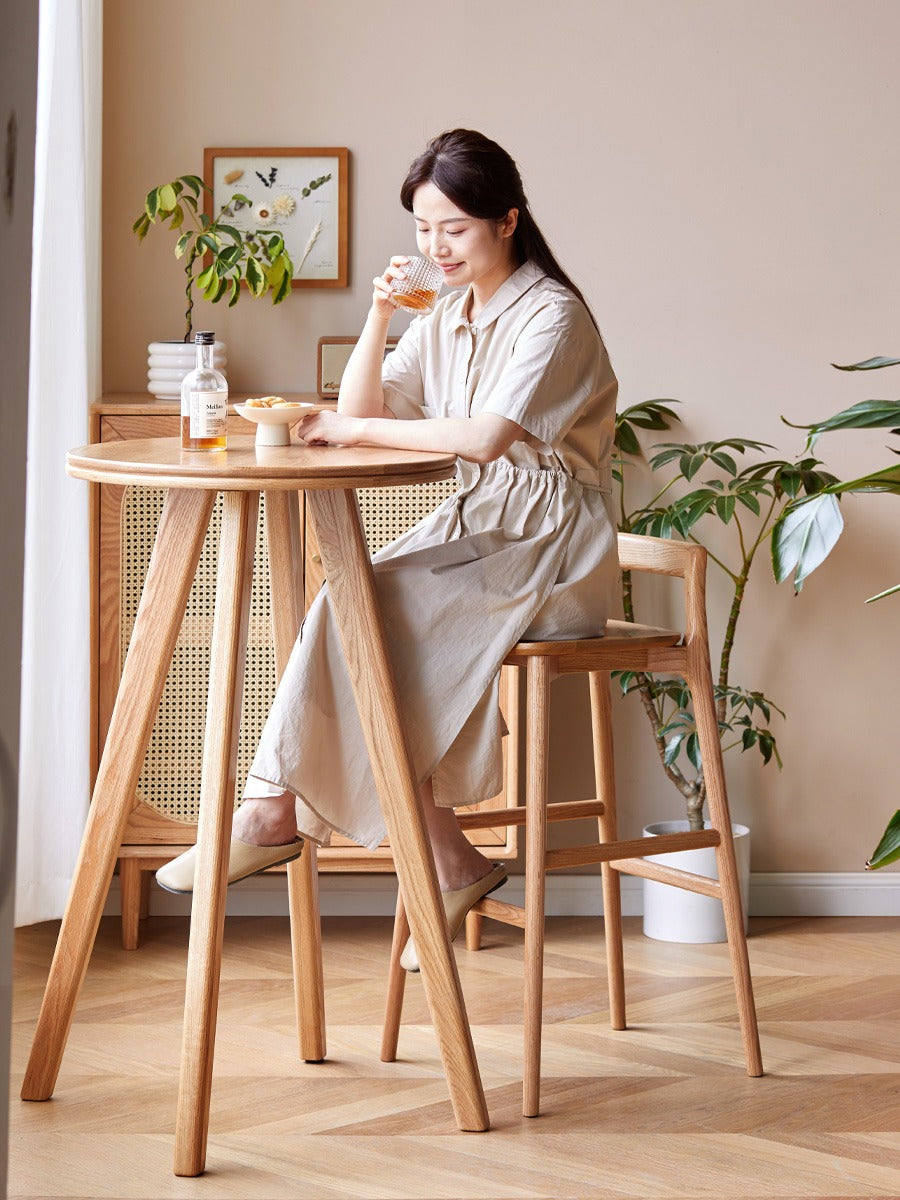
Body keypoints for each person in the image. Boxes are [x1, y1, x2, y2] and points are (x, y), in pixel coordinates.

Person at [157, 128, 619, 970]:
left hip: (550, 542)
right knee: (354, 609)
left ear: (507, 219)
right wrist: (377, 315)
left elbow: (481, 438)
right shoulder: (446, 311)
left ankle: (273, 814)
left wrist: (354, 426)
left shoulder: (552, 313)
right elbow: (370, 405)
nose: (435, 248)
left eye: (454, 229)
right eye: (421, 229)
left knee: (358, 610)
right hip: (484, 527)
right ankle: (448, 860)